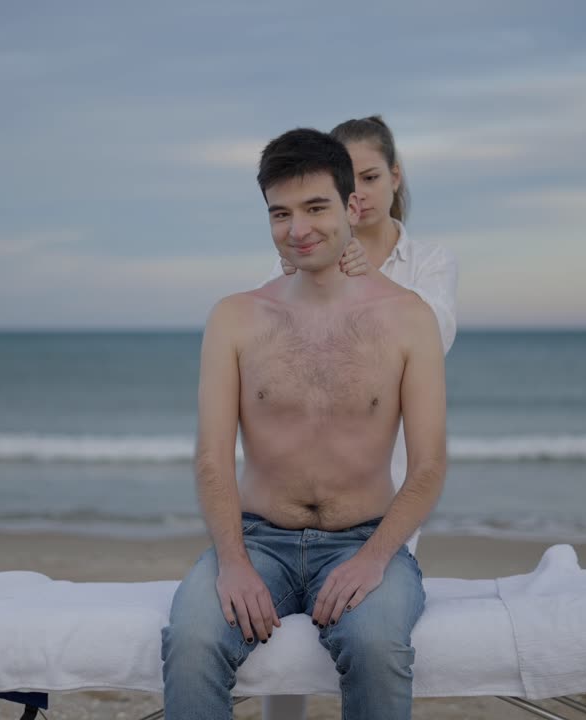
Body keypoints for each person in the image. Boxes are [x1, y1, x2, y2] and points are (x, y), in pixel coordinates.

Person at [161, 128, 447, 719]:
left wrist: (374, 559)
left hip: (365, 539)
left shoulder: (408, 318)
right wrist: (233, 562)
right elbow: (212, 458)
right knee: (192, 641)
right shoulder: (236, 317)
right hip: (256, 539)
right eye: (280, 213)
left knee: (375, 645)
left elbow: (428, 466)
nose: (298, 229)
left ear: (351, 207)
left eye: (316, 208)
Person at [265, 114, 458, 553]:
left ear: (395, 176)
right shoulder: (304, 254)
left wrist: (369, 278)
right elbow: (267, 346)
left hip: (390, 475)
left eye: (370, 177)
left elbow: (435, 337)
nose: (361, 192)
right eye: (349, 181)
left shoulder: (431, 262)